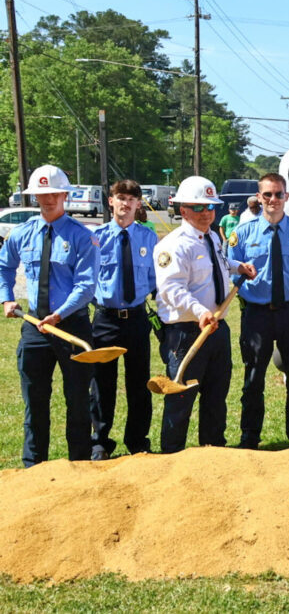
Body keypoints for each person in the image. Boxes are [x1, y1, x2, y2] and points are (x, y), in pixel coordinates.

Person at [0, 165, 97, 467]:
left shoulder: (82, 236)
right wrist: (6, 298)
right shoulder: (22, 233)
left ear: (64, 195)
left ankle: (79, 464)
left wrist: (59, 314)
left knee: (78, 400)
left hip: (72, 326)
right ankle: (34, 467)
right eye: (41, 194)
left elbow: (86, 285)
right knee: (35, 401)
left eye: (53, 193)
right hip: (34, 327)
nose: (48, 199)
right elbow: (3, 267)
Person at [155, 176, 256, 454]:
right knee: (181, 398)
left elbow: (219, 265)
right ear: (183, 210)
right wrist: (201, 312)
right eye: (199, 208)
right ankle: (172, 455)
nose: (207, 214)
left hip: (216, 330)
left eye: (211, 207)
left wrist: (238, 267)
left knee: (216, 396)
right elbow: (171, 288)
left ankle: (213, 454)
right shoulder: (174, 245)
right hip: (186, 334)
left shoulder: (211, 237)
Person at [230, 173, 289, 449]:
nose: (273, 200)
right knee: (253, 378)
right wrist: (239, 275)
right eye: (268, 195)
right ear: (258, 196)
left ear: (287, 196)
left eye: (278, 194)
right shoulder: (242, 233)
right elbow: (229, 269)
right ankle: (250, 436)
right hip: (257, 314)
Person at [89, 179, 158, 459]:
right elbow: (87, 278)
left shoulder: (149, 237)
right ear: (111, 201)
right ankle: (100, 442)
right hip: (105, 319)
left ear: (138, 204)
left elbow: (156, 278)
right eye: (121, 197)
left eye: (131, 199)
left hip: (138, 319)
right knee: (102, 384)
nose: (126, 203)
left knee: (139, 383)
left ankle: (137, 440)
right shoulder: (96, 237)